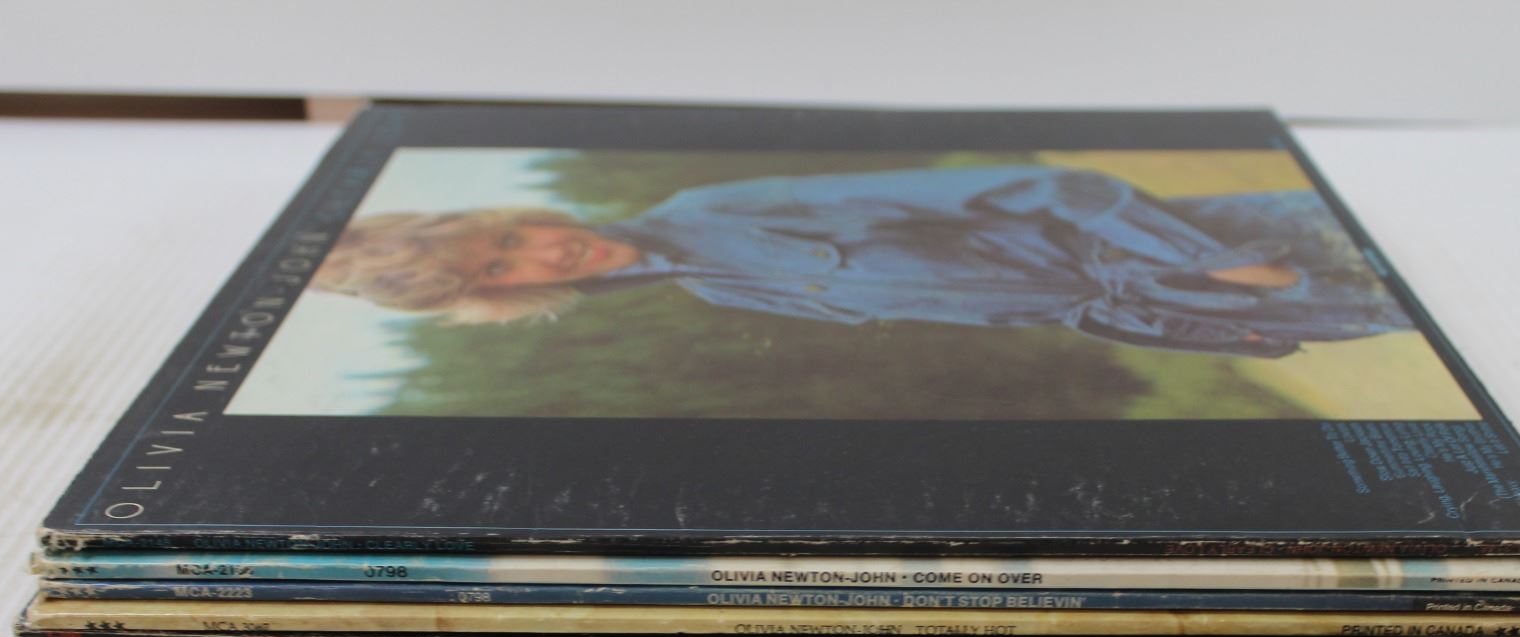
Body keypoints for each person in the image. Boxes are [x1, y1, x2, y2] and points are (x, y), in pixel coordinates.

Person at [310, 165, 1411, 358]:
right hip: (1215, 307)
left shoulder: (716, 208)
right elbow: (1017, 304)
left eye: (506, 234)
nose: (543, 249)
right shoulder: (717, 288)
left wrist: (1225, 266)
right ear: (505, 300)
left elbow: (1042, 190)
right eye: (502, 269)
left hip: (1254, 243)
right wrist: (1219, 322)